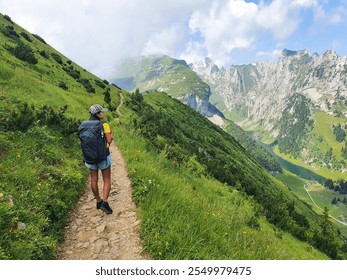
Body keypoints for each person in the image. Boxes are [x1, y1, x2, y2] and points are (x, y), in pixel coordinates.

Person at [85, 104, 113, 214]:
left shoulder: (85, 125)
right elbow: (109, 140)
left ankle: (98, 201)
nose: (103, 113)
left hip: (90, 157)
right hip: (103, 156)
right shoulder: (104, 124)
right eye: (101, 112)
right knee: (106, 179)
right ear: (97, 114)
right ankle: (105, 202)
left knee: (94, 180)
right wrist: (111, 135)